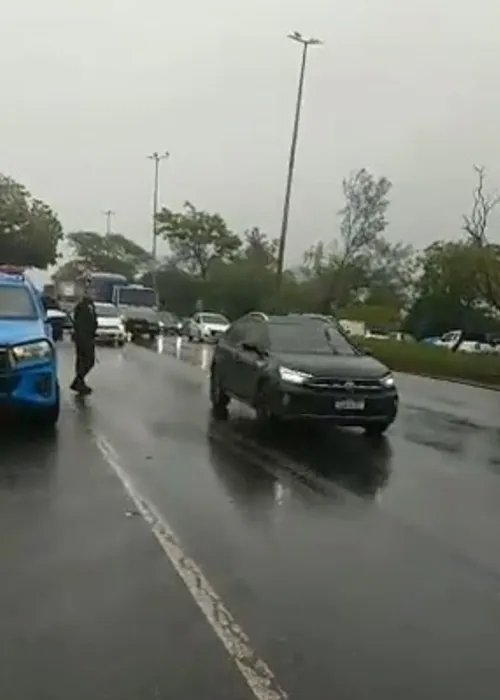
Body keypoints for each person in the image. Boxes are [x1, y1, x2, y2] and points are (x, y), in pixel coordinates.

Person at [70, 281, 97, 395]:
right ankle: (78, 381)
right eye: (91, 292)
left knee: (87, 361)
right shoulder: (82, 306)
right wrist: (82, 337)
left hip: (89, 336)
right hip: (83, 337)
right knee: (87, 360)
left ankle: (79, 381)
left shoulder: (91, 305)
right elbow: (80, 324)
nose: (93, 293)